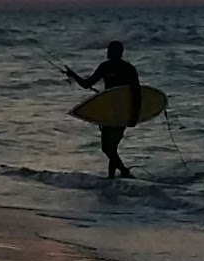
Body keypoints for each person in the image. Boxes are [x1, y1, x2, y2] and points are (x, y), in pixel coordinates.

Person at [58, 38, 146, 179]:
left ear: (119, 53)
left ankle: (122, 172)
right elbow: (87, 84)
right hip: (108, 111)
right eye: (108, 50)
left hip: (122, 111)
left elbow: (136, 93)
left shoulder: (128, 69)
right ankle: (114, 177)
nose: (108, 52)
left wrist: (134, 116)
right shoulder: (105, 67)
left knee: (108, 147)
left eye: (111, 50)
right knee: (109, 147)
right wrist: (73, 75)